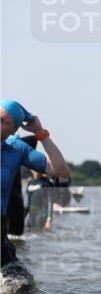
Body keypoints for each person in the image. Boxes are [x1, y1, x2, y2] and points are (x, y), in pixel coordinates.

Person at [1, 99, 70, 274]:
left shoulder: (16, 148)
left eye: (3, 121)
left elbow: (60, 169)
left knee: (22, 286)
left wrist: (40, 133)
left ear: (14, 130)